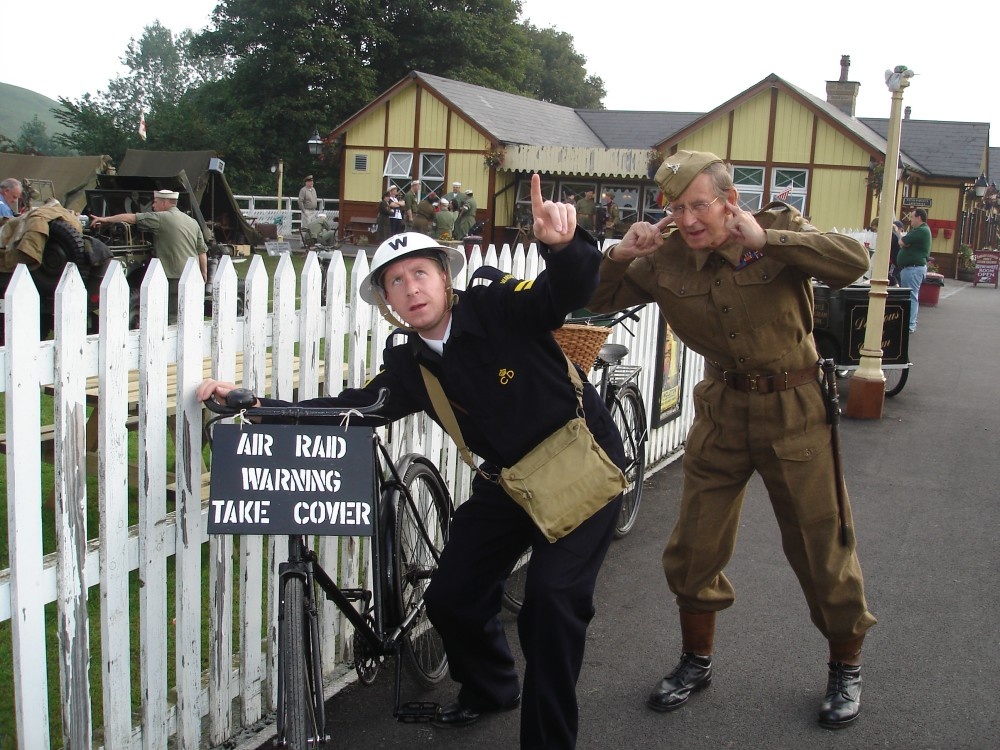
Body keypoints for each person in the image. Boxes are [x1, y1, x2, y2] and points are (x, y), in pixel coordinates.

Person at [198, 173, 625, 750]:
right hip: (512, 484)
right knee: (450, 597)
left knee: (550, 608)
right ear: (389, 304)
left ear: (444, 278)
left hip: (581, 466)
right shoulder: (410, 364)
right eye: (395, 283)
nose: (410, 289)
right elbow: (355, 409)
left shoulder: (499, 305)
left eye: (420, 273)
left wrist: (564, 247)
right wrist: (252, 404)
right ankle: (492, 687)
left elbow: (564, 292)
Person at [588, 150, 876, 730]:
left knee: (821, 546)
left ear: (729, 200)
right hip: (722, 412)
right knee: (694, 546)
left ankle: (845, 663)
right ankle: (696, 660)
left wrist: (770, 239)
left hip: (796, 410)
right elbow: (595, 301)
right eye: (676, 207)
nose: (689, 220)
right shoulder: (663, 257)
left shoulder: (778, 231)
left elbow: (853, 262)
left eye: (700, 205)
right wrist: (621, 253)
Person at [90, 189, 208, 322]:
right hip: (192, 276)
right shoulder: (192, 222)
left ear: (164, 203)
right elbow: (202, 252)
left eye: (155, 202)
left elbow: (131, 218)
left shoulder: (161, 218)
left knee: (172, 319)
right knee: (189, 315)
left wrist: (105, 219)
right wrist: (203, 273)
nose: (153, 206)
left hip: (173, 276)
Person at [897, 208, 931, 333]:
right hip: (912, 268)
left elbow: (902, 241)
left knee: (911, 297)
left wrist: (905, 242)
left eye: (912, 217)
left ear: (919, 217)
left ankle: (910, 325)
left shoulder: (921, 231)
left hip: (914, 268)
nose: (910, 219)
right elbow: (904, 243)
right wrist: (906, 243)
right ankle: (910, 323)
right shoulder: (920, 231)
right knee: (911, 296)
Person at [869, 217, 902, 286]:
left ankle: (896, 285)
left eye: (875, 229)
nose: (875, 232)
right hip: (892, 260)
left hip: (893, 260)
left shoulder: (889, 236)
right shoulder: (891, 235)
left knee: (891, 275)